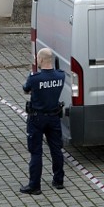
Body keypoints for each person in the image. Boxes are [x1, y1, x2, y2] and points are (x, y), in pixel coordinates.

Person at [19, 47, 65, 195]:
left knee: (36, 152)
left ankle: (35, 186)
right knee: (56, 149)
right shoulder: (61, 76)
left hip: (37, 119)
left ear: (41, 60)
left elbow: (26, 89)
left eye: (37, 58)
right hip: (54, 118)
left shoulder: (34, 78)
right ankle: (58, 181)